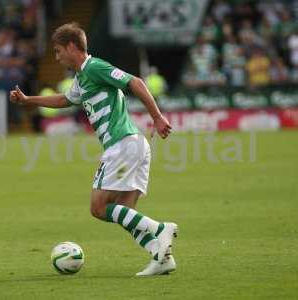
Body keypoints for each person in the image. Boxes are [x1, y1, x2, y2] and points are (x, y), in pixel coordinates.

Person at [10, 23, 177, 276]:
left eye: (58, 51)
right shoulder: (80, 77)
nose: (56, 57)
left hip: (122, 145)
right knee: (124, 213)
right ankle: (161, 256)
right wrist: (28, 100)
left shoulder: (95, 67)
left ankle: (159, 228)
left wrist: (157, 116)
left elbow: (135, 82)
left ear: (71, 47)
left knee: (98, 208)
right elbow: (65, 99)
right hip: (134, 145)